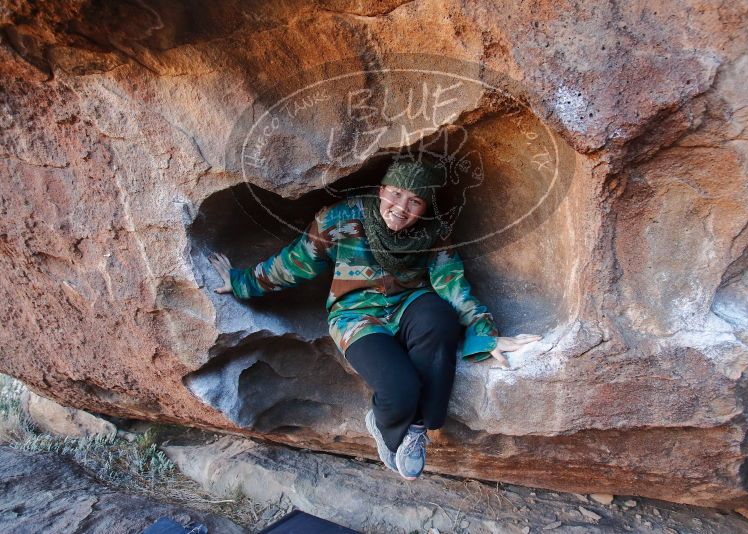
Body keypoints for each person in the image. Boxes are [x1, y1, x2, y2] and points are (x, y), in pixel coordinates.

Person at [209, 155, 541, 481]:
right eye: (396, 194)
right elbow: (295, 262)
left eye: (415, 201)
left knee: (440, 316)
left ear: (425, 207)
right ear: (381, 190)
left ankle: (416, 429)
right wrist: (242, 282)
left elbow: (451, 283)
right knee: (400, 389)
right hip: (356, 315)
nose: (402, 207)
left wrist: (485, 332)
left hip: (410, 303)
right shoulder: (341, 219)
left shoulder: (432, 232)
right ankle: (383, 424)